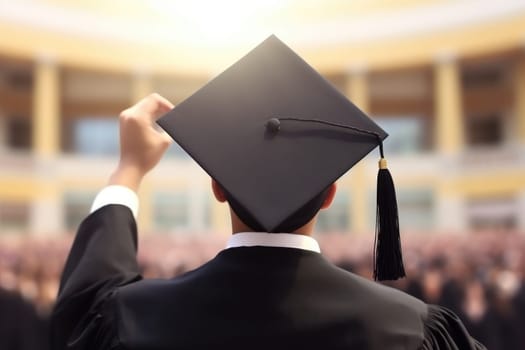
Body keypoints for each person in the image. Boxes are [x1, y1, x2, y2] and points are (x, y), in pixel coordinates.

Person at [51, 36, 485, 349]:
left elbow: (81, 306)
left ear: (218, 189)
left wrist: (128, 169)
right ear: (331, 193)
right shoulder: (409, 329)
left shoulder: (136, 318)